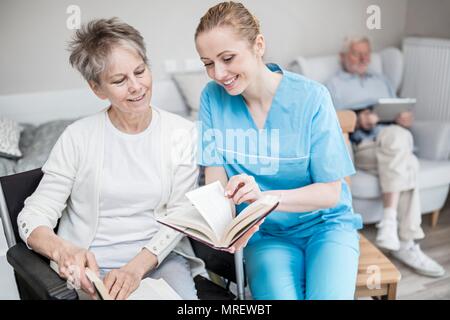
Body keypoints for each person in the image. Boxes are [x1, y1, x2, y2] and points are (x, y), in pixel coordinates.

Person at [17, 18, 206, 300]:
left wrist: (134, 270)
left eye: (140, 72)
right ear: (97, 88)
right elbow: (32, 216)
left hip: (158, 260)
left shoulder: (183, 134)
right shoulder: (77, 137)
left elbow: (179, 216)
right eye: (119, 80)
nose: (136, 87)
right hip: (91, 269)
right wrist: (64, 251)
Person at [194, 1, 362, 300]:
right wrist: (223, 225)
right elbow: (215, 182)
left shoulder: (312, 98)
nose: (218, 73)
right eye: (208, 63)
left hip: (326, 226)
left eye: (228, 58)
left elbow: (330, 193)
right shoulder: (212, 98)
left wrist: (267, 198)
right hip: (266, 234)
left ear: (258, 45)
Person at [326, 36, 444, 277]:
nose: (362, 59)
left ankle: (394, 230)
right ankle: (406, 241)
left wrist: (404, 119)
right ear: (343, 57)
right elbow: (331, 122)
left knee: (401, 145)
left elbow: (398, 108)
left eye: (366, 54)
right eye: (356, 54)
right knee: (404, 154)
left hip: (392, 142)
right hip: (364, 146)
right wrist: (359, 121)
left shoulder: (382, 81)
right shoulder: (334, 84)